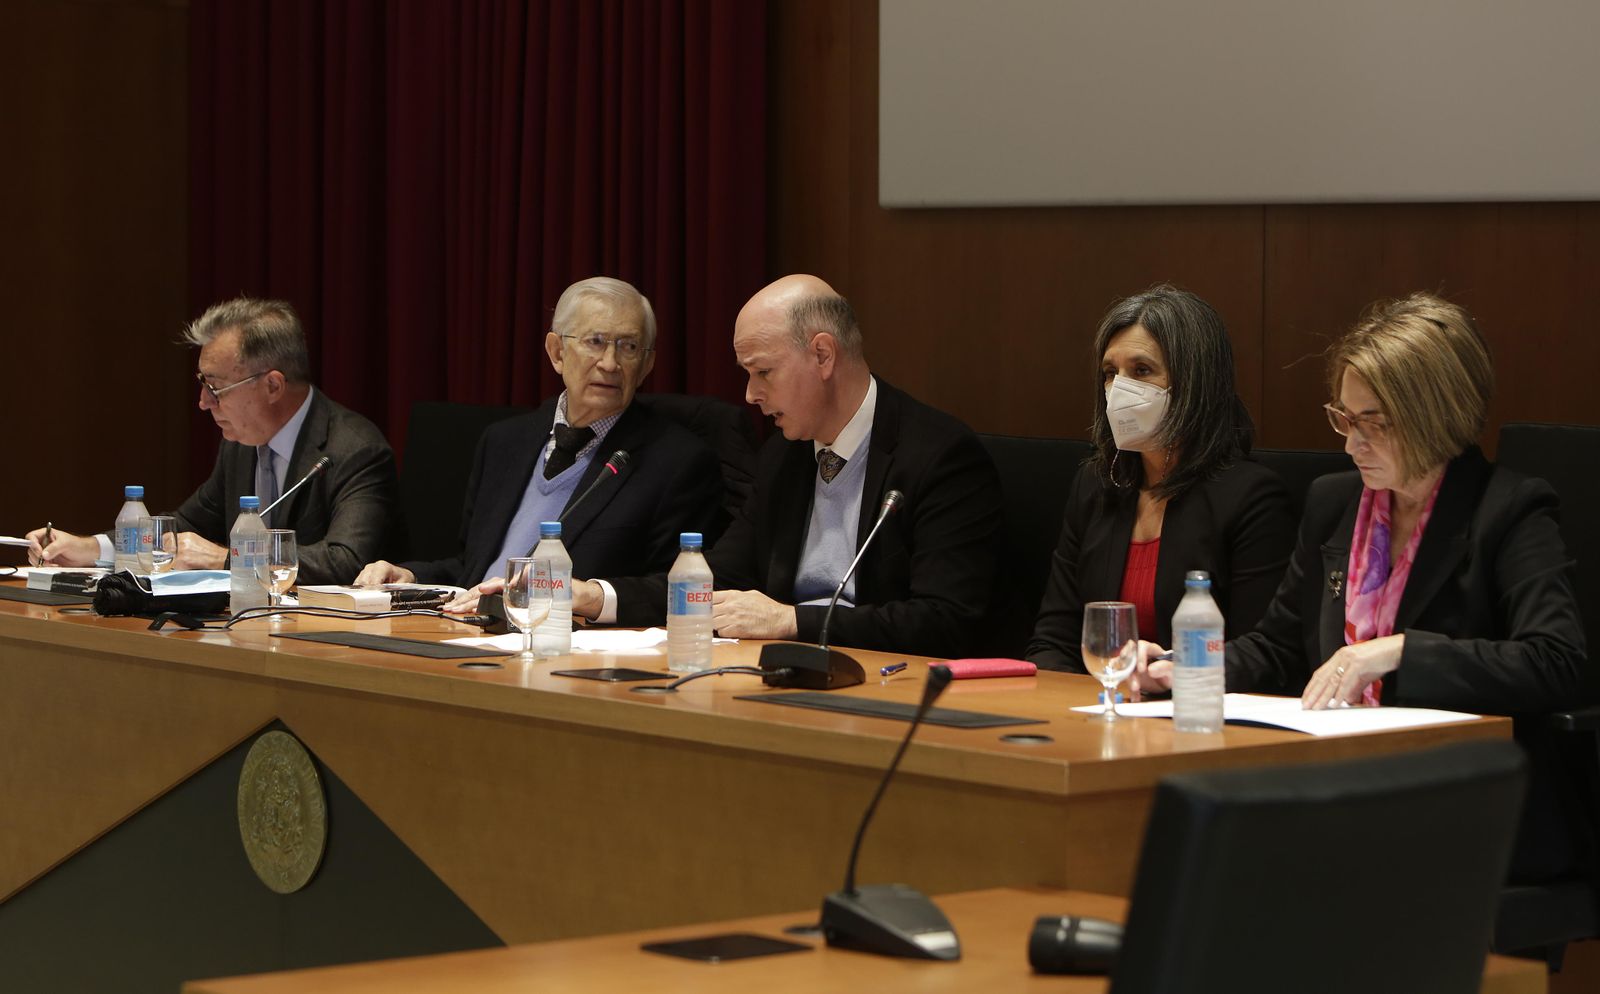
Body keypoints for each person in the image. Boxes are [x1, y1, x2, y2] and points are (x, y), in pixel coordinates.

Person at [1133, 292, 1590, 881]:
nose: (1352, 443)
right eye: (1345, 419)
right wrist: (1181, 667)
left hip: (1467, 806)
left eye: (1374, 424)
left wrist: (1397, 651)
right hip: (1339, 780)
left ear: (1436, 415)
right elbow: (1276, 647)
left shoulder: (1509, 510)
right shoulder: (1336, 503)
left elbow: (1554, 661)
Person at [571, 274, 1004, 656]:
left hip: (889, 683)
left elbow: (945, 621)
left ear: (822, 356)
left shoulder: (939, 456)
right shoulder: (785, 455)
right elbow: (716, 579)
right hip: (785, 674)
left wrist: (791, 622)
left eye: (762, 372)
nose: (750, 395)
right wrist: (597, 597)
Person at [356, 277, 724, 602]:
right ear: (557, 352)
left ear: (647, 365)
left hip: (568, 646)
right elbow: (475, 569)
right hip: (469, 629)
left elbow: (676, 589)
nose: (610, 363)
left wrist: (587, 596)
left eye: (628, 347)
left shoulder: (677, 462)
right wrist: (411, 577)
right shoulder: (503, 443)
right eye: (595, 342)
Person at [27, 298, 399, 584]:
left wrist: (227, 559)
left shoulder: (355, 449)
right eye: (203, 385)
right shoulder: (239, 445)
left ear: (272, 385)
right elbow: (184, 525)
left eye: (216, 388)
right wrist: (92, 548)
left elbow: (347, 561)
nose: (203, 403)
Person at [1026, 286, 1294, 672]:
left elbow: (1265, 653)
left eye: (1141, 371)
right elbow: (1054, 640)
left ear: (1193, 382)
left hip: (1197, 711)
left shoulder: (1251, 497)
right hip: (1100, 708)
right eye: (1110, 373)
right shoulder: (1097, 484)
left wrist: (1169, 671)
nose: (1119, 390)